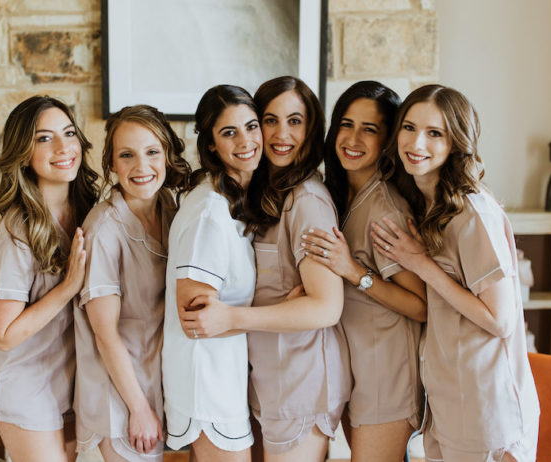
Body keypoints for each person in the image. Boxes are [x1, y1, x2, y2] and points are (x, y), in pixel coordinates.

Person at [179, 76, 350, 462]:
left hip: (301, 386)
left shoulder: (307, 201)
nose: (280, 134)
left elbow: (326, 307)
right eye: (269, 120)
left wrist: (234, 318)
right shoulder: (265, 197)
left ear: (311, 130)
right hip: (267, 379)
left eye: (295, 121)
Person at [370, 84, 540, 462]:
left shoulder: (473, 213)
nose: (417, 142)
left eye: (435, 133)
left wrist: (421, 265)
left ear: (456, 142)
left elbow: (501, 320)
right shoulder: (428, 207)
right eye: (409, 128)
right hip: (449, 403)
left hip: (485, 409)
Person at [301, 81, 427, 461]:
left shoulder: (384, 209)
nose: (353, 138)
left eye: (369, 129)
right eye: (347, 124)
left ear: (387, 140)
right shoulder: (344, 197)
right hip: (358, 373)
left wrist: (354, 271)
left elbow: (421, 305)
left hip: (387, 378)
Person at [0, 95, 99, 462]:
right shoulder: (19, 228)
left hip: (68, 375)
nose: (63, 147)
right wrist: (68, 288)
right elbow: (5, 334)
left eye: (69, 133)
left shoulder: (88, 210)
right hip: (22, 381)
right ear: (23, 153)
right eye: (44, 138)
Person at [74, 105, 190, 461]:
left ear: (167, 156)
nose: (142, 167)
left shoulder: (170, 208)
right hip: (121, 392)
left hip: (158, 377)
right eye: (127, 155)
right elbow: (104, 333)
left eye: (152, 152)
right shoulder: (104, 229)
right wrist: (138, 408)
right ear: (111, 164)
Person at [162, 85, 262, 461]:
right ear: (211, 146)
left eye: (251, 126)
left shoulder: (231, 203)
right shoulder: (209, 213)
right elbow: (196, 320)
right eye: (229, 132)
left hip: (224, 375)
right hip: (206, 383)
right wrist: (284, 313)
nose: (246, 141)